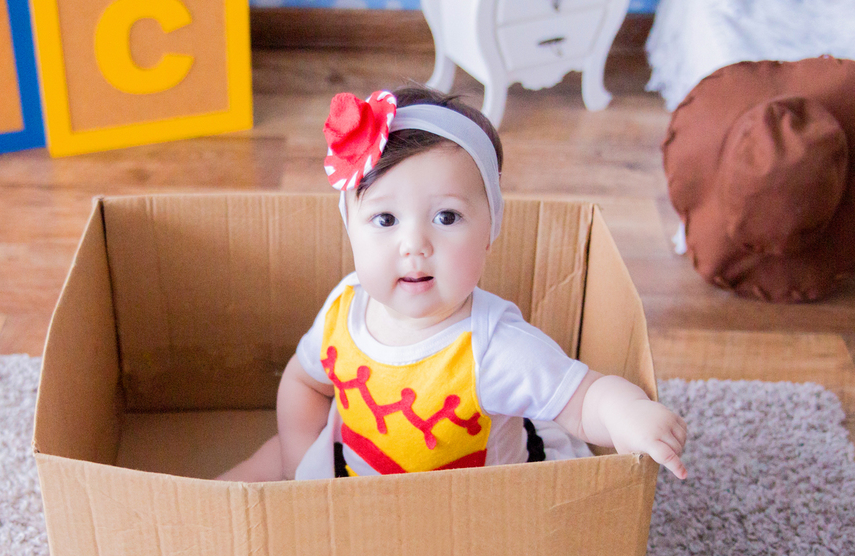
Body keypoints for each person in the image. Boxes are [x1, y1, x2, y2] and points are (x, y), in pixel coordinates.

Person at [218, 85, 687, 482]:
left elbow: (584, 398)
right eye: (384, 218)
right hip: (354, 473)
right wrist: (302, 466)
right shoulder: (344, 307)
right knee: (266, 465)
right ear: (351, 230)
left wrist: (627, 414)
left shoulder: (494, 348)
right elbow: (304, 380)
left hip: (465, 508)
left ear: (489, 232)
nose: (414, 244)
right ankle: (195, 512)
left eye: (447, 216)